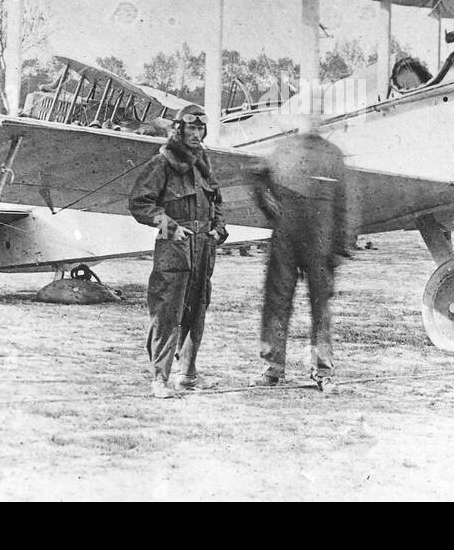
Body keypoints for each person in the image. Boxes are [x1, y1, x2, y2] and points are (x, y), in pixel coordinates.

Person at [128, 105, 227, 399]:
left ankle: (188, 375)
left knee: (197, 311)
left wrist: (218, 229)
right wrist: (170, 227)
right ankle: (160, 379)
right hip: (175, 247)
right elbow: (140, 203)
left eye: (201, 129)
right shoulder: (162, 163)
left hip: (203, 249)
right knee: (167, 312)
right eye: (191, 128)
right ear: (179, 130)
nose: (196, 134)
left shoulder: (202, 163)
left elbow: (217, 201)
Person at [249, 114, 352, 393]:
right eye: (308, 117)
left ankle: (322, 371)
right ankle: (273, 368)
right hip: (286, 238)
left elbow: (343, 203)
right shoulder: (281, 150)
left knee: (321, 308)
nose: (313, 123)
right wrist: (271, 211)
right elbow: (258, 179)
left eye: (318, 117)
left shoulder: (333, 154)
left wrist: (341, 245)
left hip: (321, 240)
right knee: (277, 303)